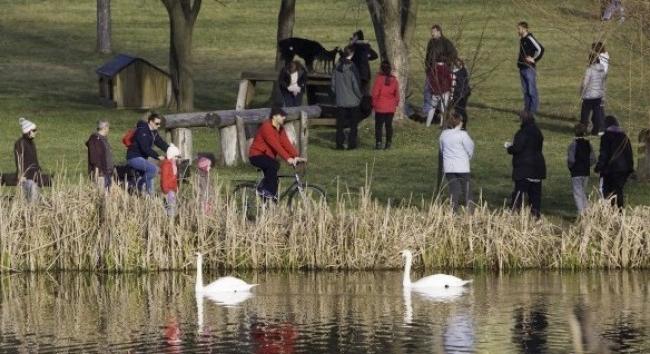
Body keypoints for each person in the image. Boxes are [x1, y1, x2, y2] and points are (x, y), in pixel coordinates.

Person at [248, 107, 305, 199]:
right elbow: (275, 145)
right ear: (274, 116)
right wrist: (288, 158)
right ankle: (265, 192)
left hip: (267, 156)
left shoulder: (280, 129)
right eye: (282, 116)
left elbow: (286, 143)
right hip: (256, 155)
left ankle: (269, 200)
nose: (284, 118)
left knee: (274, 178)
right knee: (273, 165)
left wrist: (296, 156)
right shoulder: (266, 127)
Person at [505, 111, 546, 218]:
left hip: (524, 168)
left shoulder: (522, 133)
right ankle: (535, 216)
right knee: (535, 196)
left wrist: (509, 148)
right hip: (537, 168)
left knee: (519, 194)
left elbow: (517, 148)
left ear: (522, 120)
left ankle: (514, 215)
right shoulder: (538, 132)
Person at [126, 112, 170, 195]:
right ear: (150, 122)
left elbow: (160, 142)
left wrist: (170, 150)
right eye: (157, 123)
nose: (158, 126)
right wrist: (158, 156)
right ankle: (138, 185)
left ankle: (150, 196)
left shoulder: (154, 132)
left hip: (142, 158)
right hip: (134, 157)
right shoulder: (142, 130)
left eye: (159, 124)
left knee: (150, 177)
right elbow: (145, 148)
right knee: (153, 169)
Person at [595, 115, 634, 208]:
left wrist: (599, 167)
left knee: (607, 192)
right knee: (618, 191)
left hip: (611, 169)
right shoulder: (624, 136)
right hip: (623, 170)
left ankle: (609, 213)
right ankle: (619, 213)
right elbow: (629, 153)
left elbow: (604, 154)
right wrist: (630, 168)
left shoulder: (606, 136)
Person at [440, 112, 474, 212]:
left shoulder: (444, 134)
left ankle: (454, 210)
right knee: (466, 189)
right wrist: (468, 158)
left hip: (449, 167)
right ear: (460, 123)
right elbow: (470, 148)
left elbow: (442, 150)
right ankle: (470, 210)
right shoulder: (463, 135)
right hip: (462, 166)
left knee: (453, 190)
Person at [331, 46, 363, 150]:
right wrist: (360, 97)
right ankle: (352, 144)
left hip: (340, 100)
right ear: (352, 54)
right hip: (353, 101)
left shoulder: (337, 67)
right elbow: (356, 86)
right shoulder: (352, 68)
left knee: (340, 125)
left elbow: (333, 85)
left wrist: (338, 95)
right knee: (353, 125)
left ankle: (339, 144)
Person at [423, 24, 458, 119]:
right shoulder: (431, 42)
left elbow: (453, 54)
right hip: (431, 70)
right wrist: (427, 64)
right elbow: (428, 54)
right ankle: (426, 111)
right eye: (431, 32)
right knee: (427, 90)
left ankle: (439, 113)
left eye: (433, 32)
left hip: (442, 71)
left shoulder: (446, 43)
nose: (432, 34)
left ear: (439, 31)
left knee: (441, 92)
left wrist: (444, 61)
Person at [567, 123, 597, 214]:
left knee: (577, 193)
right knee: (582, 192)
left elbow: (571, 159)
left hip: (576, 172)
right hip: (586, 172)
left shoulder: (573, 145)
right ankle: (587, 210)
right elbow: (593, 159)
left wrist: (570, 167)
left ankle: (582, 213)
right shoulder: (588, 144)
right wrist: (588, 165)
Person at [371, 60, 400, 150]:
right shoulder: (394, 80)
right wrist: (395, 104)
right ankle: (388, 143)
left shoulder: (379, 79)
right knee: (389, 125)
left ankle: (379, 143)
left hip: (380, 106)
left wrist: (374, 104)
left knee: (379, 126)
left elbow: (375, 94)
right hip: (390, 107)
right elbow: (397, 95)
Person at [517, 21, 544, 114]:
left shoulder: (529, 38)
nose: (518, 30)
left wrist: (534, 59)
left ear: (525, 29)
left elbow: (540, 49)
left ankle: (533, 111)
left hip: (529, 68)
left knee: (531, 90)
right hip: (522, 68)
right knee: (525, 91)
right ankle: (527, 110)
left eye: (519, 28)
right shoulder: (522, 39)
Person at [14, 117, 42, 203]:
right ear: (27, 131)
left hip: (34, 177)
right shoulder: (20, 143)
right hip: (26, 178)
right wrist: (20, 174)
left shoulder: (31, 143)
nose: (36, 132)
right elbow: (19, 159)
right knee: (31, 202)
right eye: (34, 130)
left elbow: (33, 159)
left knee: (34, 202)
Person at [580, 52, 607, 136]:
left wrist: (581, 93)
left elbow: (585, 83)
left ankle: (583, 130)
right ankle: (596, 130)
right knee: (597, 114)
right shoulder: (602, 68)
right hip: (598, 95)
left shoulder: (589, 69)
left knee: (585, 114)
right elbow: (603, 82)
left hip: (588, 96)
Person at [85, 120, 114, 190]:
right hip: (100, 174)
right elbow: (95, 158)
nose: (108, 130)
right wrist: (97, 173)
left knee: (107, 195)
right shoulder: (95, 139)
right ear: (105, 128)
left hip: (107, 172)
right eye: (108, 127)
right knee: (101, 195)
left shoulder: (103, 139)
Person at [426, 57, 453, 127]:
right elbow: (450, 80)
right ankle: (441, 124)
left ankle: (427, 124)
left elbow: (430, 81)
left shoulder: (433, 69)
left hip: (436, 92)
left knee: (432, 108)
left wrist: (433, 90)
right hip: (445, 91)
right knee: (443, 108)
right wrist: (450, 90)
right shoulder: (446, 69)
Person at [349, 30, 378, 94]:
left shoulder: (353, 47)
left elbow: (347, 56)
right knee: (365, 94)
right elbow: (375, 55)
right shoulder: (366, 46)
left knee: (355, 93)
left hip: (355, 74)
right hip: (365, 74)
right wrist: (367, 57)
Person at [451, 57, 471, 130]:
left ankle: (461, 125)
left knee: (459, 110)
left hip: (459, 94)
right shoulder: (463, 70)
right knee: (461, 109)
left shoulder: (454, 73)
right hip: (464, 93)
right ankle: (461, 125)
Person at [161, 145, 181, 217]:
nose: (176, 158)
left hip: (172, 188)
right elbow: (164, 178)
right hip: (168, 188)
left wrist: (176, 187)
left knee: (172, 203)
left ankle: (170, 215)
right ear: (171, 156)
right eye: (175, 157)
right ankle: (170, 217)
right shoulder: (167, 165)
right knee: (171, 204)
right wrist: (165, 189)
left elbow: (174, 178)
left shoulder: (173, 164)